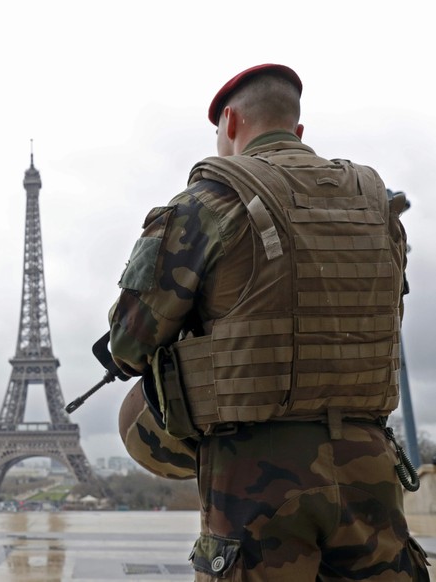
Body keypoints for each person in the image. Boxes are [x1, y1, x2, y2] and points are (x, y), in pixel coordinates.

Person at [110, 64, 429, 580]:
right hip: (368, 460)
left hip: (257, 471)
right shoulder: (378, 206)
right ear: (297, 131)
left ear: (230, 123)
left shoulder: (208, 203)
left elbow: (130, 341)